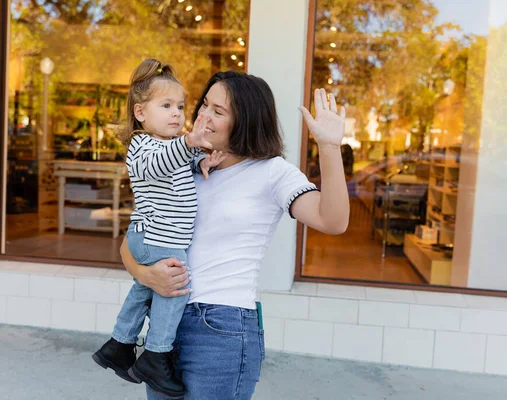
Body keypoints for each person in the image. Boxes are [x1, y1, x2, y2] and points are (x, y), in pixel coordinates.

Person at [120, 71, 350, 400]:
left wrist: (328, 147)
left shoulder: (272, 172)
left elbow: (333, 220)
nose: (203, 116)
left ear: (246, 121)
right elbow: (130, 240)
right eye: (203, 106)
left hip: (221, 328)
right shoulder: (183, 164)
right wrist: (146, 274)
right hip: (165, 323)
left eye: (219, 111)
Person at [92, 59, 225, 399]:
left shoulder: (171, 145)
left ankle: (119, 344)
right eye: (166, 106)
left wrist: (201, 160)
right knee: (174, 288)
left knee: (144, 290)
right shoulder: (141, 147)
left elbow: (179, 164)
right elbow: (161, 162)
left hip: (155, 236)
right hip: (157, 237)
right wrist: (188, 144)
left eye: (180, 106)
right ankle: (156, 353)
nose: (177, 114)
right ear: (140, 112)